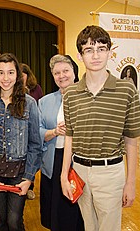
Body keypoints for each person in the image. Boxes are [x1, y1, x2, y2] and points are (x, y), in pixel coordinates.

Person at [60, 25, 140, 231]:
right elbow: (69, 136)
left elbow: (131, 139)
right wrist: (64, 175)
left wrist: (131, 182)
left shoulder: (126, 90)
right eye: (89, 50)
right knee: (89, 226)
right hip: (79, 171)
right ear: (80, 56)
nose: (95, 55)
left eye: (101, 48)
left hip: (110, 172)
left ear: (110, 52)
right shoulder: (71, 94)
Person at [0, 53, 42, 231]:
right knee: (2, 218)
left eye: (10, 73)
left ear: (18, 76)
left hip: (19, 174)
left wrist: (29, 178)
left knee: (14, 221)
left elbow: (35, 144)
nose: (5, 78)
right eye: (0, 73)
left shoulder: (29, 104)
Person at [38, 54, 84, 231]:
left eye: (66, 70)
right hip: (53, 160)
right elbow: (37, 131)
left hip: (78, 161)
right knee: (56, 211)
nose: (62, 75)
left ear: (74, 72)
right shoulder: (45, 101)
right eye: (57, 72)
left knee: (77, 210)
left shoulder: (86, 97)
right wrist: (54, 132)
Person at [19, 62, 43, 200]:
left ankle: (30, 186)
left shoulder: (36, 89)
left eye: (23, 75)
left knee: (32, 159)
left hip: (32, 127)